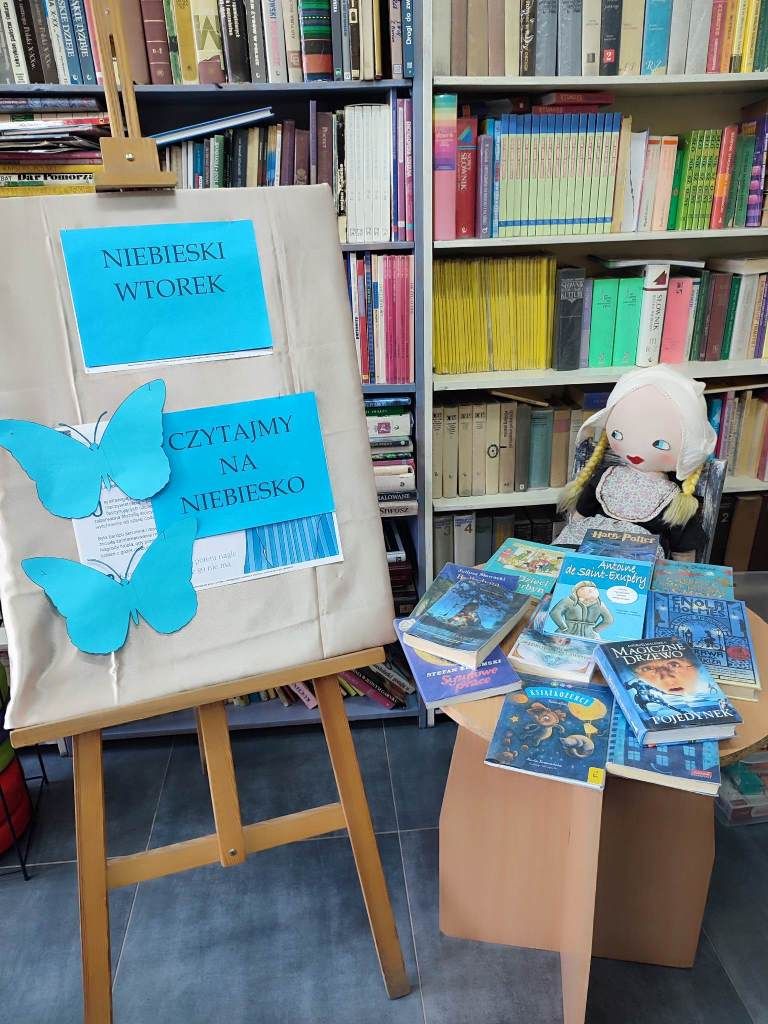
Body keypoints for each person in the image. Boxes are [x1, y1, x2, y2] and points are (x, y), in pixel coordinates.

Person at [548, 580, 613, 640]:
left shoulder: (600, 604)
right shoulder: (568, 601)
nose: (591, 591)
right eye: (583, 589)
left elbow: (608, 620)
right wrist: (563, 627)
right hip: (566, 634)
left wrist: (595, 630)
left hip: (589, 636)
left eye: (593, 589)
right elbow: (555, 613)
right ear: (577, 591)